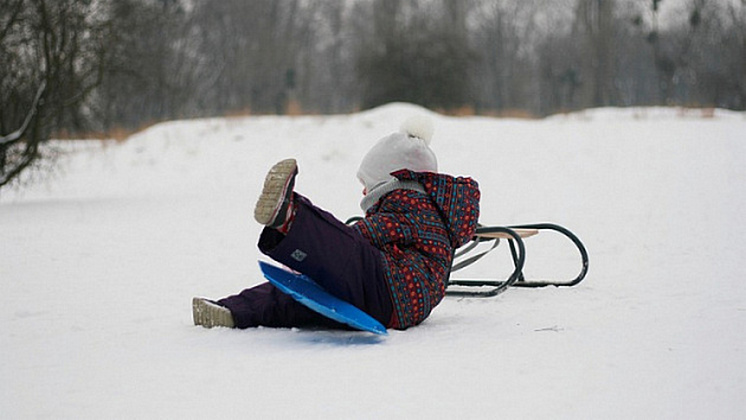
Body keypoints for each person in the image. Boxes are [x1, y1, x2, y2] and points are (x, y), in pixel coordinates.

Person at [192, 116, 480, 331]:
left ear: (390, 182)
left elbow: (363, 237)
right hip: (394, 303)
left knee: (344, 250)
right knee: (299, 297)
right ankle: (230, 312)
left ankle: (288, 217)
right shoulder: (422, 211)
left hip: (393, 288)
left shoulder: (413, 208)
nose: (364, 193)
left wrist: (323, 249)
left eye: (367, 184)